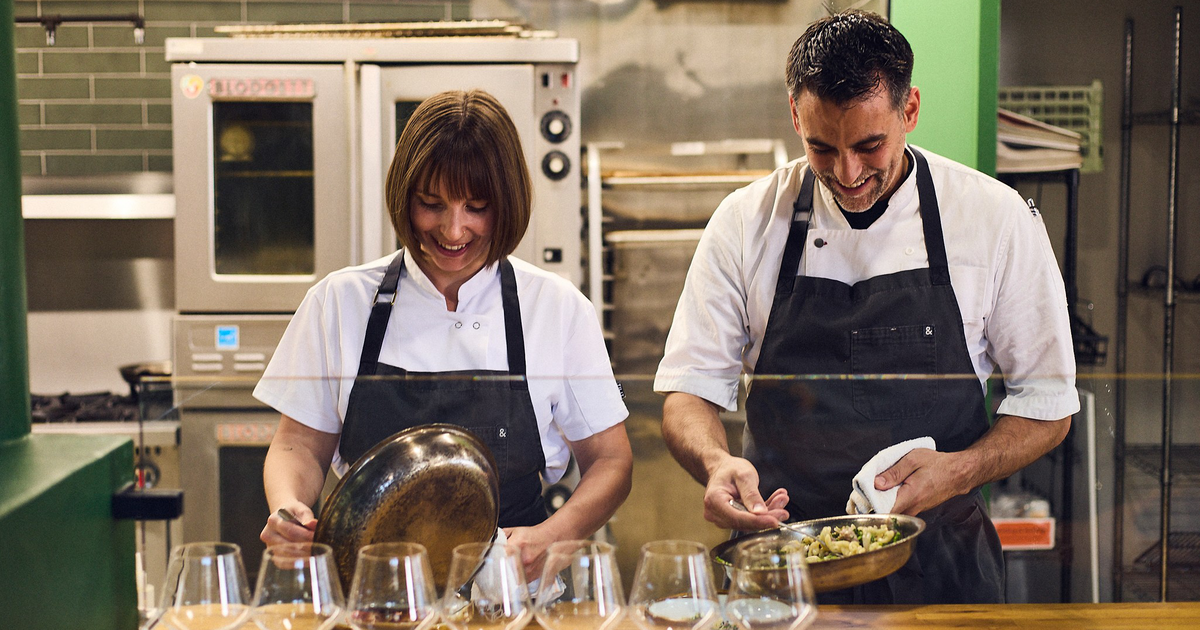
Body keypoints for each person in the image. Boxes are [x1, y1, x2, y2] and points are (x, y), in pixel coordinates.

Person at [655, 10, 1078, 604]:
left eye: (869, 145)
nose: (847, 173)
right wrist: (714, 461)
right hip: (787, 558)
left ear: (909, 111)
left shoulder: (994, 219)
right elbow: (689, 393)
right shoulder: (746, 223)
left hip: (943, 564)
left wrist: (957, 472)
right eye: (821, 147)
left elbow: (1049, 404)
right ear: (795, 117)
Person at [254, 89, 633, 580]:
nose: (454, 230)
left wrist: (555, 535)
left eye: (477, 206)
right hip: (369, 592)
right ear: (404, 198)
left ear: (509, 202)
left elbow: (611, 460)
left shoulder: (556, 310)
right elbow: (298, 446)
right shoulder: (340, 302)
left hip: (511, 594)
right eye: (431, 204)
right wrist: (289, 509)